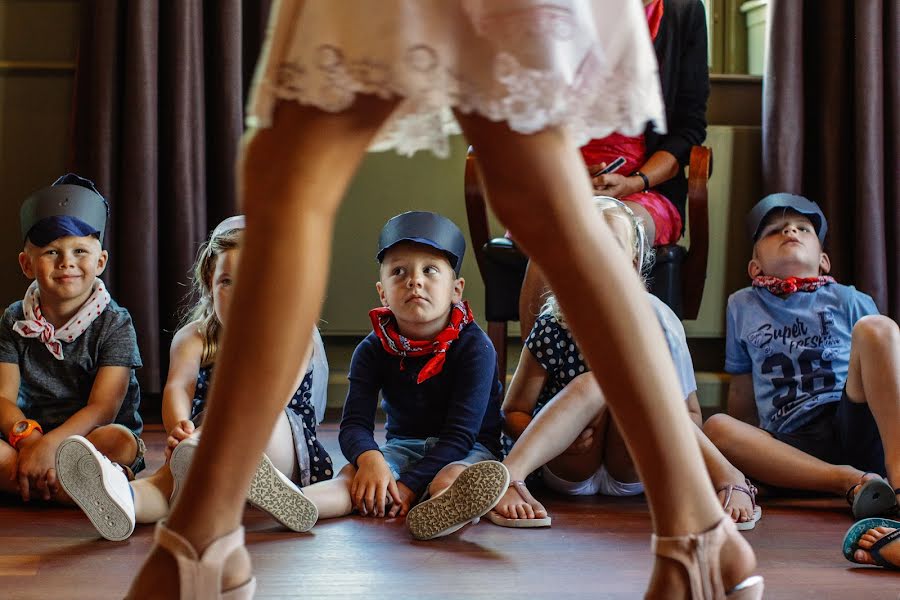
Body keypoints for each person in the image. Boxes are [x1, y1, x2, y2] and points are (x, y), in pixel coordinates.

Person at [130, 3, 761, 599]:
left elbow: (469, 422)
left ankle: (201, 542)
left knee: (528, 191)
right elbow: (359, 419)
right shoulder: (384, 346)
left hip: (445, 458)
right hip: (398, 457)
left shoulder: (468, 346)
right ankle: (698, 535)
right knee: (520, 189)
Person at [488, 197, 760, 530]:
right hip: (570, 467)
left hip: (634, 465)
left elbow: (689, 415)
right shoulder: (553, 323)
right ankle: (507, 478)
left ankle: (728, 476)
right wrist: (563, 436)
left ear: (631, 264)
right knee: (594, 382)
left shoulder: (658, 323)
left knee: (632, 383)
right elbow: (513, 411)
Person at [55, 216, 331, 540]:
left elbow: (269, 401)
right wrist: (180, 428)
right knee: (168, 484)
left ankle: (213, 466)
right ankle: (123, 497)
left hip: (273, 445)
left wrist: (203, 436)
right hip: (204, 448)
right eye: (227, 282)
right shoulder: (194, 338)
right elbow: (178, 388)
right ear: (210, 284)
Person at [286, 211, 509, 541]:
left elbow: (461, 435)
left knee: (449, 480)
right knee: (354, 477)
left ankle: (444, 514)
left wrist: (408, 485)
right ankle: (296, 504)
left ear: (456, 289)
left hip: (467, 449)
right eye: (399, 272)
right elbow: (354, 425)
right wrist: (371, 459)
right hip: (403, 446)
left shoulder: (476, 347)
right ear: (383, 292)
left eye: (430, 271)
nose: (414, 280)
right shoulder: (373, 348)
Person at [703, 193, 899, 523]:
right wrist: (746, 455)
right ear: (755, 267)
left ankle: (897, 477)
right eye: (775, 230)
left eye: (802, 229)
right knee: (717, 427)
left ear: (823, 260)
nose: (791, 232)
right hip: (791, 441)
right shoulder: (743, 304)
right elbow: (741, 390)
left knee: (877, 328)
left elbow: (883, 370)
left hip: (850, 418)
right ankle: (846, 481)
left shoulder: (847, 298)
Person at [519, 0, 710, 332]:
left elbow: (688, 129)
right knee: (557, 233)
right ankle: (542, 377)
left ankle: (611, 376)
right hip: (557, 183)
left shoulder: (683, 10)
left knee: (610, 229)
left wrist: (634, 182)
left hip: (643, 190)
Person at [0, 174, 144, 511]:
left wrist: (53, 445)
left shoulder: (115, 323)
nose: (66, 262)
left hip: (92, 434)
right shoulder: (12, 320)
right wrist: (32, 439)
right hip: (29, 436)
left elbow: (103, 407)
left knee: (119, 441)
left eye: (80, 250)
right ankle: (78, 487)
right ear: (27, 264)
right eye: (52, 252)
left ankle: (33, 481)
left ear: (100, 262)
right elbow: (3, 398)